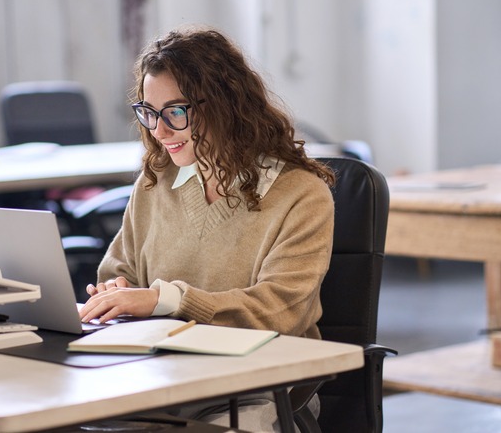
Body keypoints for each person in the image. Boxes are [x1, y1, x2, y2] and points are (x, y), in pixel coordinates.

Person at [79, 25, 336, 432]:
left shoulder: (300, 195)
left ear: (225, 104)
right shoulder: (156, 181)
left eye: (175, 112)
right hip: (162, 375)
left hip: (258, 386)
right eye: (149, 112)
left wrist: (165, 299)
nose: (159, 132)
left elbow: (279, 311)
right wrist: (118, 293)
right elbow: (118, 271)